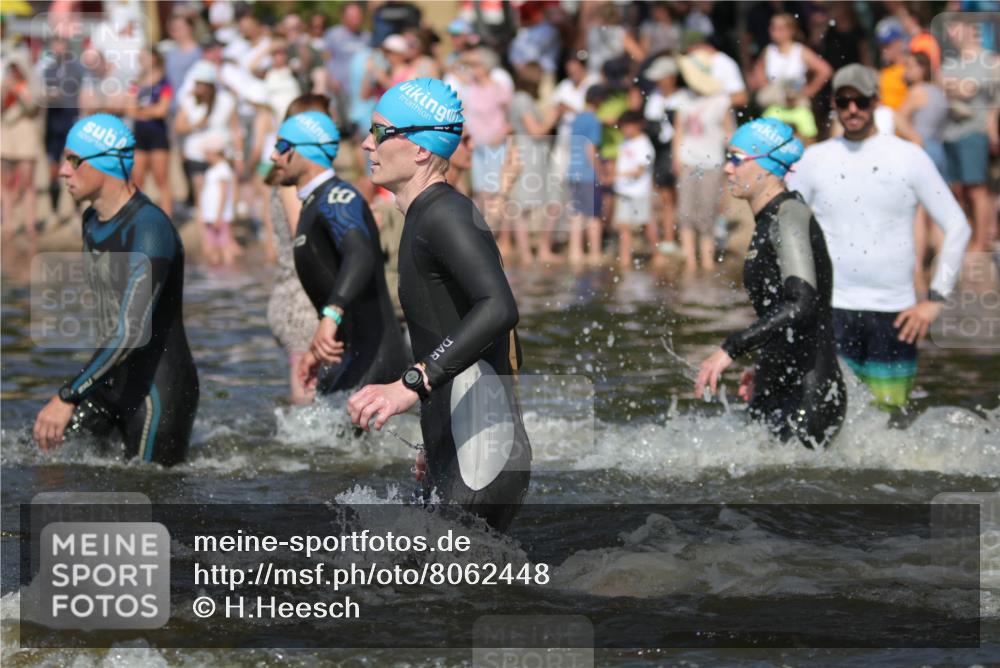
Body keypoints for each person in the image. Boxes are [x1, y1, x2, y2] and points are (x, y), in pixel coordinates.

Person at [348, 78, 530, 532]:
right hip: (465, 445)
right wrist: (439, 435)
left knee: (438, 595)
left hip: (481, 457)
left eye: (380, 132)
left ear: (421, 150)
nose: (367, 144)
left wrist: (413, 382)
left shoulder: (444, 215)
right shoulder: (424, 215)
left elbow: (499, 308)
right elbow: (489, 337)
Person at [787, 65, 971, 411]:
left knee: (890, 422)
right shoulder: (813, 160)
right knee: (829, 419)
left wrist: (935, 299)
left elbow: (958, 226)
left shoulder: (909, 157)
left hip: (896, 315)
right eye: (844, 101)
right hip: (831, 311)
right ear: (834, 104)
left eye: (861, 100)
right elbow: (783, 232)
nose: (853, 109)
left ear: (876, 102)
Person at [32, 114, 199, 465]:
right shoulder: (91, 220)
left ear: (107, 164)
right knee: (44, 461)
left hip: (157, 395)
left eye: (74, 160)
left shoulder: (151, 229)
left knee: (146, 503)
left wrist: (68, 395)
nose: (62, 170)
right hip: (109, 382)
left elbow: (131, 330)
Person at [695, 118, 845, 448]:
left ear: (764, 166)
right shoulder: (768, 220)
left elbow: (802, 303)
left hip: (809, 393)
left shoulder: (789, 216)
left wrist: (732, 348)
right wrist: (768, 363)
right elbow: (783, 310)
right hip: (779, 380)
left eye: (735, 158)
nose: (727, 169)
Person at [270, 110, 409, 394]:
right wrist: (317, 349)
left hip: (375, 362)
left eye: (282, 147)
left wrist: (329, 318)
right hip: (350, 359)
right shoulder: (315, 203)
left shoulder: (337, 200)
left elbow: (360, 255)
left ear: (306, 152)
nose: (273, 156)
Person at [672, 53, 734, 273]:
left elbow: (729, 133)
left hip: (712, 162)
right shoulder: (683, 97)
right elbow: (679, 131)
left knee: (707, 212)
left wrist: (736, 160)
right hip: (688, 160)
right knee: (686, 212)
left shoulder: (721, 101)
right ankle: (690, 262)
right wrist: (676, 158)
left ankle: (707, 262)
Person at [126, 49, 173, 216]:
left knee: (161, 179)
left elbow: (162, 111)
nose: (141, 60)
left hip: (158, 135)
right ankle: (139, 218)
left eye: (145, 56)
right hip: (139, 135)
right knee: (137, 179)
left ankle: (167, 218)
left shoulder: (164, 83)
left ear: (155, 59)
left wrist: (141, 111)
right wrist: (147, 110)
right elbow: (130, 109)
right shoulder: (136, 83)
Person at [1, 52, 40, 243]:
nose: (13, 73)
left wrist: (19, 91)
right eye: (11, 69)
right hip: (7, 137)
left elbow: (34, 107)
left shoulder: (31, 85)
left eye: (16, 69)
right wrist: (5, 92)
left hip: (26, 137)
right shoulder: (4, 85)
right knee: (5, 184)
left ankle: (30, 224)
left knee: (27, 182)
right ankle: (7, 223)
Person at [613, 110, 655, 269]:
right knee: (624, 226)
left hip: (639, 191)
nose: (624, 130)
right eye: (622, 127)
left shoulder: (644, 144)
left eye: (627, 126)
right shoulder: (625, 142)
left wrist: (615, 175)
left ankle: (656, 254)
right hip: (623, 190)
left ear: (638, 125)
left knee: (646, 224)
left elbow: (639, 171)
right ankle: (625, 258)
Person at [197, 132, 237, 267]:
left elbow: (223, 194)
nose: (204, 156)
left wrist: (219, 215)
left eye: (206, 153)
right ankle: (216, 272)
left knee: (225, 245)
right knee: (212, 245)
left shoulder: (223, 169)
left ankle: (228, 271)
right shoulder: (212, 170)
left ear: (214, 152)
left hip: (219, 216)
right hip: (211, 215)